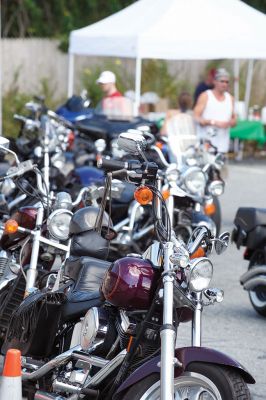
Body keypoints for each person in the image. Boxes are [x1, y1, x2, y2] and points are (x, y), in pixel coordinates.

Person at [193, 68, 236, 154]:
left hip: (222, 146)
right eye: (222, 81)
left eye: (226, 82)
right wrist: (213, 122)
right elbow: (195, 117)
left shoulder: (230, 98)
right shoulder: (206, 96)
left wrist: (229, 123)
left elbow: (234, 119)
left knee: (222, 167)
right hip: (206, 145)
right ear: (215, 82)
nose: (224, 84)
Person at [161, 92, 197, 162]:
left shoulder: (170, 113)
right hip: (190, 148)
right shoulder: (193, 115)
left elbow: (163, 132)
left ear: (178, 102)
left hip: (175, 148)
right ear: (190, 103)